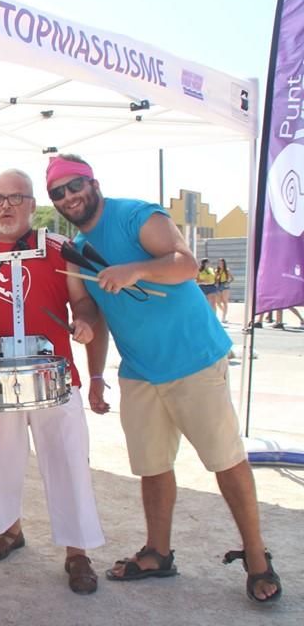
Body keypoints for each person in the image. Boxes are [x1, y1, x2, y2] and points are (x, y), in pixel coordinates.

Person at [46, 154, 282, 603]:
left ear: (92, 182)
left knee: (225, 460)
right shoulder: (76, 250)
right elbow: (96, 314)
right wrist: (95, 372)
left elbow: (185, 263)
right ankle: (157, 552)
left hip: (194, 358)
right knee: (152, 466)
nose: (68, 197)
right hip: (139, 371)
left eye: (74, 186)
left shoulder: (137, 215)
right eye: (58, 192)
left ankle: (257, 557)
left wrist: (135, 269)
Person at [0, 169, 106, 595]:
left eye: (16, 198)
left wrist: (84, 323)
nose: (6, 206)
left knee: (68, 461)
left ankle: (77, 551)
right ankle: (9, 531)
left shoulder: (58, 249)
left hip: (54, 379)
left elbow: (83, 301)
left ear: (33, 205)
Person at [214, 258, 234, 323]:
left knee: (225, 301)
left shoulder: (227, 270)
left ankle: (223, 317)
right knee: (218, 302)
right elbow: (215, 279)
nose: (220, 264)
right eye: (219, 263)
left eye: (222, 263)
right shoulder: (216, 270)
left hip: (225, 285)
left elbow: (232, 278)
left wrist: (227, 282)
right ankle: (224, 311)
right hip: (218, 285)